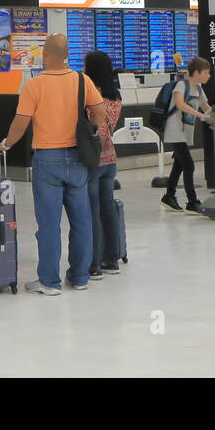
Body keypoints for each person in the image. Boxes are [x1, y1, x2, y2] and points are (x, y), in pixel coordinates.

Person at [0, 33, 105, 295]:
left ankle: (49, 281)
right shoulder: (83, 80)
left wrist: (6, 144)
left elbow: (20, 123)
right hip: (78, 157)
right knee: (81, 220)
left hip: (47, 159)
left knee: (48, 224)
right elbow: (100, 113)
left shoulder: (34, 85)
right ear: (67, 54)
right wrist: (87, 129)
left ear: (45, 55)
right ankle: (80, 277)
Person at [83, 50, 123, 280]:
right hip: (110, 158)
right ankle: (112, 259)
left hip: (92, 159)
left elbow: (90, 124)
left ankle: (94, 264)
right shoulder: (115, 95)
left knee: (92, 211)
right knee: (108, 210)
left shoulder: (91, 94)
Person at [161, 57, 213, 213]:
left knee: (179, 165)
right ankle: (192, 201)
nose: (208, 76)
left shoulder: (198, 89)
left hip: (185, 131)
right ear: (196, 73)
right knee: (189, 165)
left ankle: (169, 196)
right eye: (206, 73)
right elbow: (180, 104)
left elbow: (206, 107)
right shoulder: (181, 85)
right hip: (175, 130)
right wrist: (201, 116)